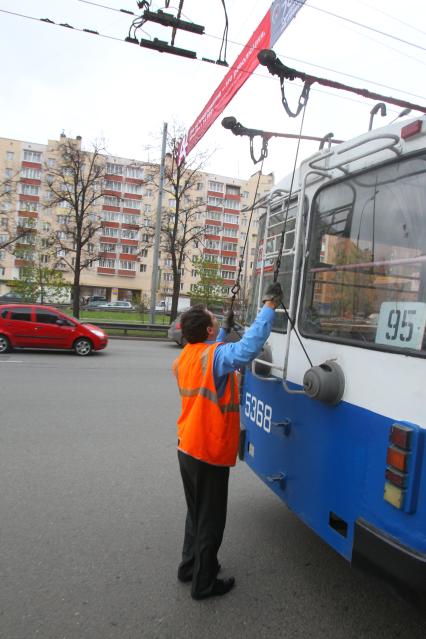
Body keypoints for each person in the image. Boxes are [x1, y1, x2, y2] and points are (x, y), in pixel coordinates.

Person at [172, 282, 283, 600]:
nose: (218, 320)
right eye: (215, 319)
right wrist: (269, 306)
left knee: (196, 513)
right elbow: (248, 349)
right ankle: (204, 584)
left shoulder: (186, 357)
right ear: (208, 330)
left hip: (187, 447)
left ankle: (189, 567)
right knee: (211, 520)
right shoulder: (216, 357)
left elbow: (211, 355)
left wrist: (223, 334)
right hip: (208, 450)